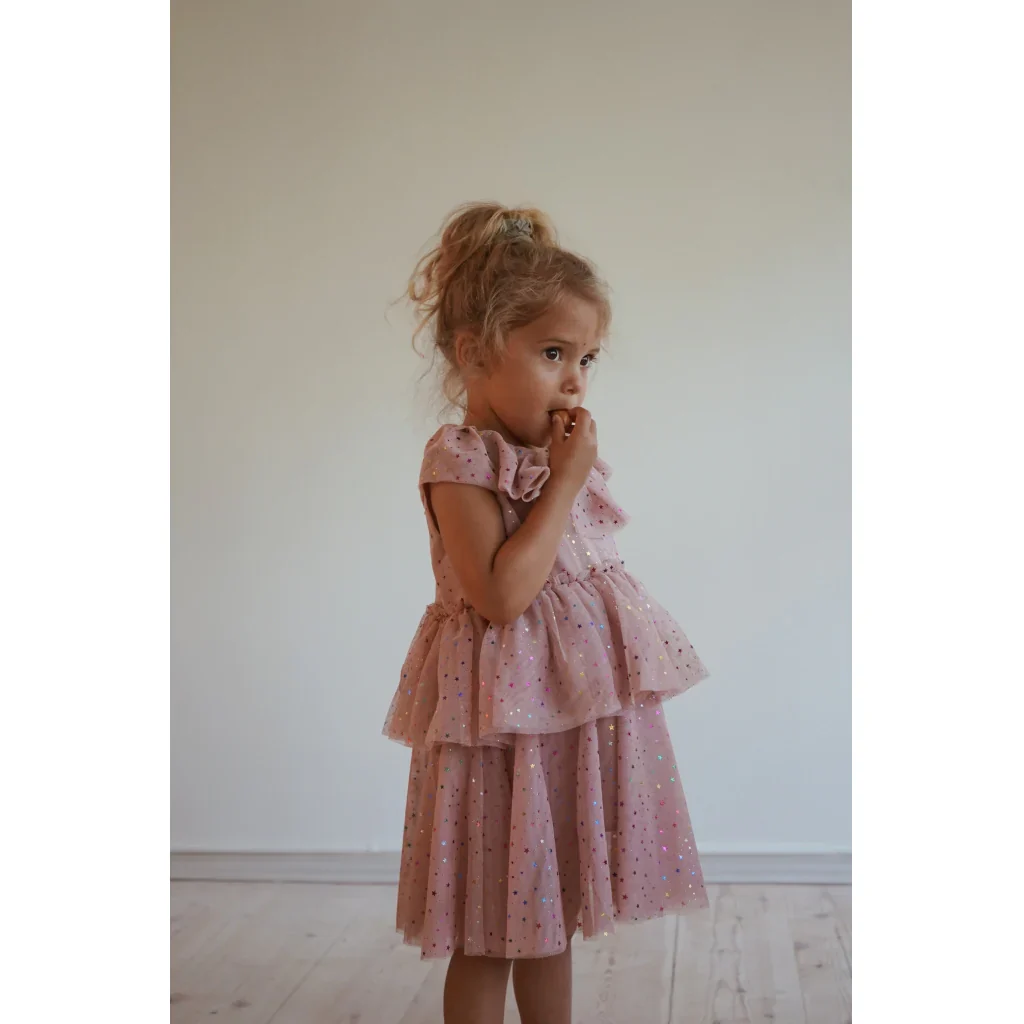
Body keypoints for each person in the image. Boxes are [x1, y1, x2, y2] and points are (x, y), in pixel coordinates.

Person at [383, 202, 709, 1024]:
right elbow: (502, 596)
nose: (574, 380)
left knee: (548, 917)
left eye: (587, 358)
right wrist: (563, 482)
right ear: (474, 354)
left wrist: (563, 473)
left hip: (562, 724)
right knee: (489, 932)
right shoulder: (460, 460)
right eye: (553, 353)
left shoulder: (553, 457)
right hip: (495, 730)